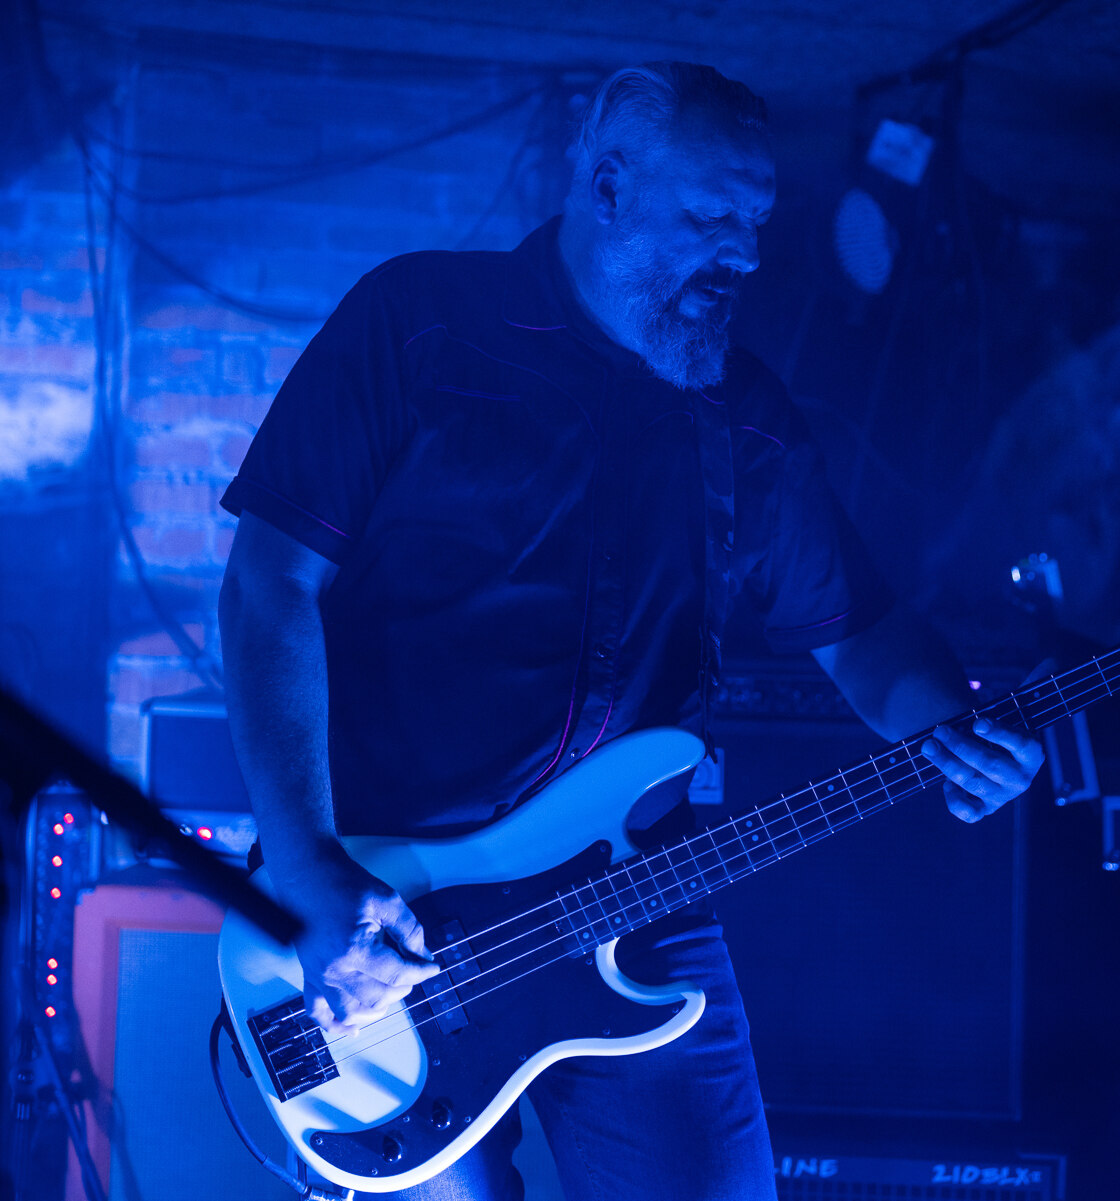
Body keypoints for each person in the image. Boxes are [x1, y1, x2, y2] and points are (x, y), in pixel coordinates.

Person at [218, 61, 1043, 1200]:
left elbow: (862, 632)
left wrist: (950, 725)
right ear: (608, 188)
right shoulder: (418, 324)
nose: (745, 255)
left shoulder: (745, 417)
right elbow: (270, 585)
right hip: (386, 903)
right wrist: (309, 871)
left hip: (632, 892)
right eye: (711, 217)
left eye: (756, 222)